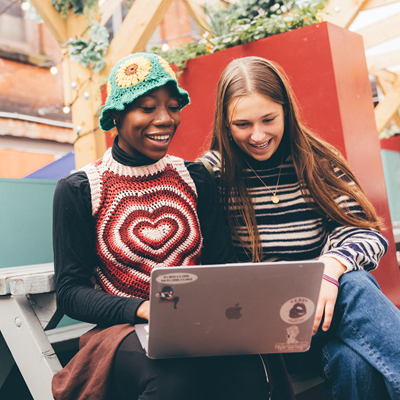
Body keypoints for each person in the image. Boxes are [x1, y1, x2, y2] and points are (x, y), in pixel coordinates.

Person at [52, 53, 273, 400]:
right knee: (173, 378)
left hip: (200, 324)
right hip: (122, 331)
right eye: (147, 108)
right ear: (117, 116)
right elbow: (70, 292)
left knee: (249, 370)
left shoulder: (196, 177)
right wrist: (142, 308)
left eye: (172, 107)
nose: (165, 119)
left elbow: (221, 262)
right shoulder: (81, 188)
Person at [203, 56, 400, 400]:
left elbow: (366, 234)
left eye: (268, 119)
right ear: (225, 123)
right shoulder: (212, 176)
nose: (258, 135)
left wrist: (332, 265)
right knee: (354, 288)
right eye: (243, 124)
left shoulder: (316, 161)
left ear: (286, 111)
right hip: (258, 328)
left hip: (319, 320)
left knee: (353, 358)